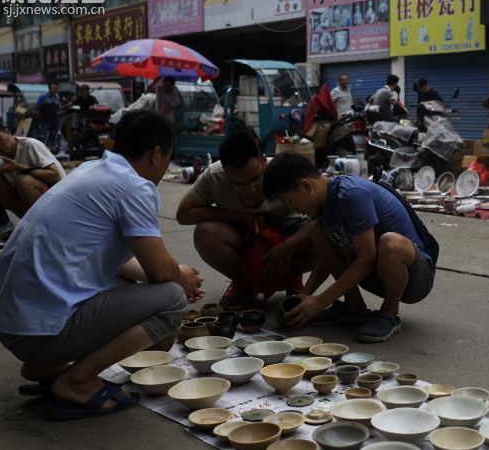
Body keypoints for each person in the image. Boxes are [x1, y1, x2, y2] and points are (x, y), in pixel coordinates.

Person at [0, 110, 203, 420]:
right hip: (37, 332)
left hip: (11, 324)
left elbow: (121, 261)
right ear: (156, 154)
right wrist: (177, 274)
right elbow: (160, 272)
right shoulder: (134, 187)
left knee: (134, 285)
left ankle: (47, 366)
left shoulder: (92, 170)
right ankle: (78, 380)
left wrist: (174, 272)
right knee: (171, 299)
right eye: (169, 156)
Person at [264, 153, 438, 343]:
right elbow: (327, 258)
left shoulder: (351, 194)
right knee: (316, 231)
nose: (293, 209)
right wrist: (305, 296)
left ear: (307, 186)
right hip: (377, 273)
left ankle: (389, 313)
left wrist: (321, 301)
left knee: (391, 243)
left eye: (290, 201)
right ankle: (354, 307)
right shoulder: (325, 203)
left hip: (415, 278)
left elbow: (367, 258)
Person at [176, 131, 314, 310]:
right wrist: (236, 216)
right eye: (239, 184)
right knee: (206, 233)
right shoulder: (214, 176)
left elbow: (321, 219)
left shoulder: (283, 172)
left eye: (256, 178)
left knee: (320, 239)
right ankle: (244, 283)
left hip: (289, 237)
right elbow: (183, 215)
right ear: (226, 172)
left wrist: (288, 247)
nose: (250, 188)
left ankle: (293, 277)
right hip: (245, 240)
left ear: (264, 161)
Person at [0, 118, 65, 217]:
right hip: (34, 199)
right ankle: (26, 223)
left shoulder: (30, 145)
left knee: (23, 181)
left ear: (7, 132)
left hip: (60, 197)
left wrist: (18, 167)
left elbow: (55, 176)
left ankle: (48, 222)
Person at [36, 81, 63, 151]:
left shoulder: (57, 98)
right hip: (45, 120)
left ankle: (52, 150)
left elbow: (59, 108)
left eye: (55, 88)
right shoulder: (43, 97)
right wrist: (40, 116)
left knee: (53, 136)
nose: (54, 89)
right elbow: (38, 107)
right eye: (52, 87)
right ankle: (41, 150)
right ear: (49, 88)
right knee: (43, 136)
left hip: (54, 121)